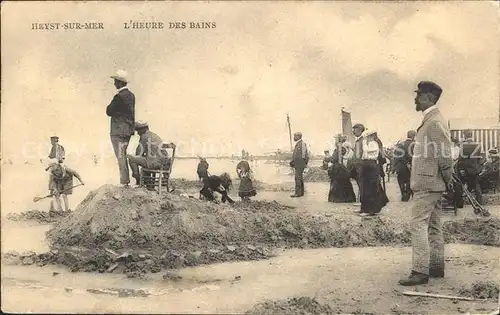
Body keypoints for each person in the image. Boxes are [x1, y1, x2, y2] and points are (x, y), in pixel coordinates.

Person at [399, 81, 453, 286]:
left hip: (427, 184)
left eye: (419, 95)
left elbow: (445, 155)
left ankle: (420, 271)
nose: (415, 99)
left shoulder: (434, 122)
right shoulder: (431, 120)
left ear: (428, 98)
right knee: (434, 225)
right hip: (433, 183)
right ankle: (436, 267)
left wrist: (448, 178)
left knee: (418, 224)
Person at [106, 69, 135, 188]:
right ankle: (126, 180)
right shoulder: (131, 96)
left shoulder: (118, 97)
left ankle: (124, 181)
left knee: (120, 155)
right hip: (127, 130)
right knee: (123, 153)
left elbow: (109, 111)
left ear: (119, 82)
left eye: (115, 81)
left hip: (118, 131)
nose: (114, 84)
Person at [126, 121, 175, 187]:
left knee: (132, 159)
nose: (137, 133)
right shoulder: (154, 135)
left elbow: (138, 153)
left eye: (138, 130)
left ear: (143, 129)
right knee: (146, 160)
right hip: (164, 163)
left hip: (154, 163)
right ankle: (149, 186)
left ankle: (137, 178)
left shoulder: (144, 136)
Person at [356, 130, 388, 217]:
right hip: (367, 165)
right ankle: (364, 208)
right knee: (365, 187)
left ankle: (370, 210)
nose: (366, 138)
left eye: (367, 137)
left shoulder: (373, 143)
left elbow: (366, 150)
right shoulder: (370, 143)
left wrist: (363, 143)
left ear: (372, 136)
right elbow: (363, 155)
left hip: (371, 165)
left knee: (370, 188)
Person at [455, 129, 484, 205]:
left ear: (465, 135)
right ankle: (480, 202)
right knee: (476, 186)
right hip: (474, 170)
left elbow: (461, 160)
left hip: (465, 170)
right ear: (471, 135)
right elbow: (479, 159)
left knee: (460, 185)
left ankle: (459, 203)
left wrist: (460, 169)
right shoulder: (478, 145)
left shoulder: (463, 146)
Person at [393, 130, 416, 201]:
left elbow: (395, 156)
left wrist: (395, 167)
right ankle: (408, 194)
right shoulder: (414, 144)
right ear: (413, 136)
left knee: (401, 181)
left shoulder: (400, 144)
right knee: (410, 180)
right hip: (410, 166)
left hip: (400, 167)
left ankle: (403, 194)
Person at [289, 132, 309, 198]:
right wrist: (293, 161)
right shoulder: (298, 144)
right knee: (299, 178)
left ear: (299, 136)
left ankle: (298, 193)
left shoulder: (302, 144)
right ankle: (301, 193)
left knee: (297, 178)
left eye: (295, 136)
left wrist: (304, 163)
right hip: (298, 163)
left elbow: (304, 155)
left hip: (300, 164)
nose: (294, 137)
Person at [351, 123, 366, 206]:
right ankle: (361, 200)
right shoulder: (358, 141)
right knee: (359, 182)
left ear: (360, 130)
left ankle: (363, 201)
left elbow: (361, 154)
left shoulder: (363, 141)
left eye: (355, 130)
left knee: (362, 182)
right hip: (357, 165)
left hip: (361, 165)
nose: (353, 131)